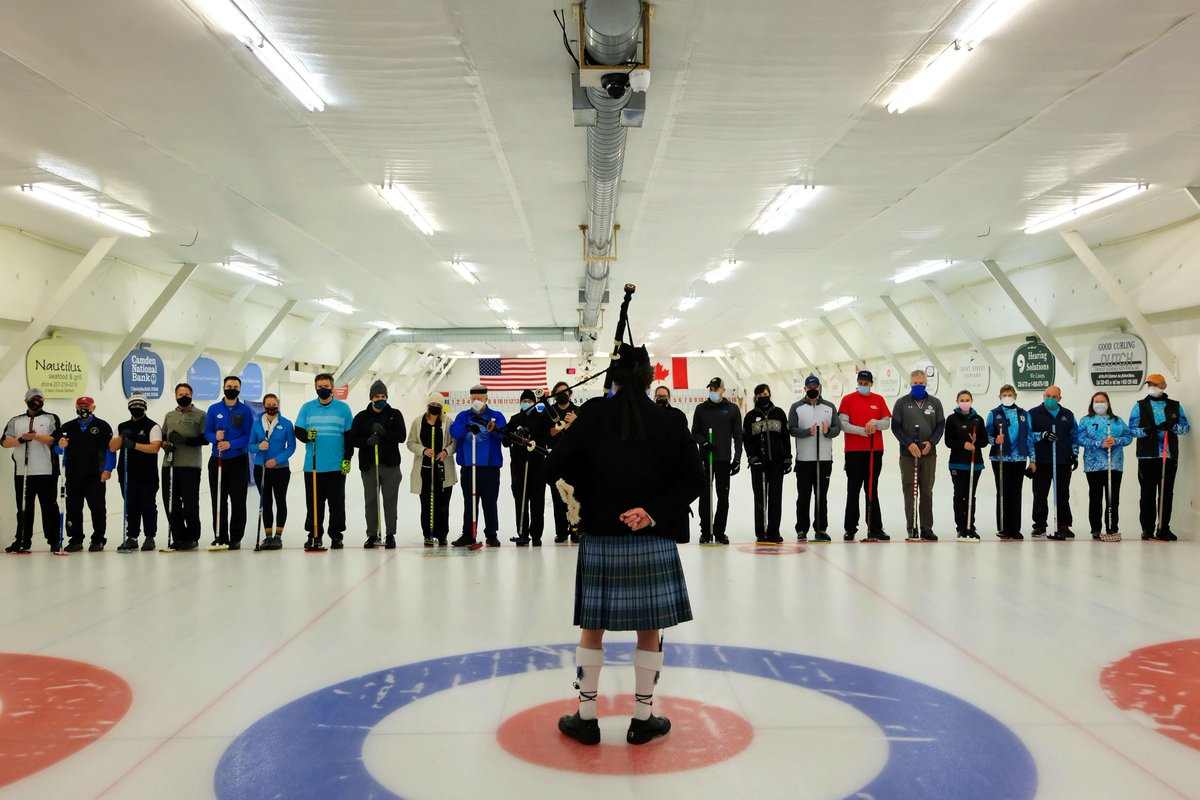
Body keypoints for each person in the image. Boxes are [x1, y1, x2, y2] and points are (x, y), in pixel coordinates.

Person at [543, 345, 703, 748]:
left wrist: (590, 487)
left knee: (592, 629)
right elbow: (694, 480)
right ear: (649, 379)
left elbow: (554, 466)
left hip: (601, 534)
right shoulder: (669, 420)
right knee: (650, 629)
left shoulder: (593, 414)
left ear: (610, 379)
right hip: (651, 535)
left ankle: (585, 716)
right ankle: (643, 718)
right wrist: (650, 511)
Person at [294, 373, 355, 551]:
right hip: (313, 466)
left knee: (337, 504)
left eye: (326, 386)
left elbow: (349, 437)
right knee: (314, 504)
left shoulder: (343, 409)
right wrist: (307, 436)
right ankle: (314, 534)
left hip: (336, 466)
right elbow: (298, 430)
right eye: (319, 386)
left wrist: (347, 459)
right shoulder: (307, 408)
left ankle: (336, 536)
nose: (323, 389)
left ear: (332, 387)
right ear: (315, 387)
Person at [1129, 374, 1191, 541]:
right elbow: (1131, 429)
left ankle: (1163, 528)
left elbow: (1185, 428)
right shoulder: (1140, 406)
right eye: (1149, 384)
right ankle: (1147, 529)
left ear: (1163, 385)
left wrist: (1172, 426)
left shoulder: (1174, 406)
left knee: (1166, 493)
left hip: (1168, 456)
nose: (1151, 387)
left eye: (1155, 384)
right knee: (1147, 492)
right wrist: (1145, 430)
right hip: (1147, 456)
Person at [349, 380, 407, 548]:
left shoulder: (395, 414)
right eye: (377, 396)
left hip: (390, 466)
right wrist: (367, 441)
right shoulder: (361, 417)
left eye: (383, 396)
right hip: (369, 466)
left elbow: (401, 437)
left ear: (387, 397)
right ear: (371, 398)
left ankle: (390, 534)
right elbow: (353, 439)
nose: (380, 399)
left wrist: (385, 433)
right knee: (371, 501)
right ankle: (372, 534)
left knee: (390, 500)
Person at [3, 388, 61, 554]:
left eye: (39, 398)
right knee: (23, 508)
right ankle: (22, 540)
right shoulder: (16, 420)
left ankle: (54, 541)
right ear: (26, 401)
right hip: (23, 472)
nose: (36, 401)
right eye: (33, 399)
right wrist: (22, 439)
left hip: (46, 471)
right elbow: (5, 442)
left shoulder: (51, 418)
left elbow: (53, 439)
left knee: (49, 507)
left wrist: (34, 437)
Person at [449, 385, 506, 547]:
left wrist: (491, 426)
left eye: (479, 399)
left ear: (486, 399)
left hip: (489, 468)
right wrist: (467, 426)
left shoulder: (495, 416)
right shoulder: (463, 416)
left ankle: (491, 534)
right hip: (469, 467)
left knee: (489, 501)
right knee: (469, 502)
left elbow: (502, 433)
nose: (476, 402)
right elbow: (454, 431)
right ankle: (468, 533)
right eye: (473, 399)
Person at [892, 370, 945, 542]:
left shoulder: (935, 403)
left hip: (929, 455)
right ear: (910, 383)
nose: (918, 386)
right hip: (908, 455)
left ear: (926, 383)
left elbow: (940, 425)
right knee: (910, 490)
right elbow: (896, 427)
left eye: (921, 383)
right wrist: (909, 443)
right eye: (915, 383)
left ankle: (926, 528)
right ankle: (912, 527)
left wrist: (932, 442)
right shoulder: (901, 403)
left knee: (926, 490)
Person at [56, 396, 115, 552]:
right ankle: (75, 539)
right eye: (80, 405)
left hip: (95, 475)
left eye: (87, 406)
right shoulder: (67, 427)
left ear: (93, 408)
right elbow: (57, 450)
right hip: (73, 475)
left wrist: (108, 469)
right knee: (73, 509)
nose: (84, 408)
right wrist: (60, 445)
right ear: (76, 407)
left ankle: (98, 539)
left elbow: (110, 450)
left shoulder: (102, 426)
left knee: (97, 508)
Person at [838, 371, 891, 541]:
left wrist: (874, 423)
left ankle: (876, 527)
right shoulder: (847, 400)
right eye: (860, 382)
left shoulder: (879, 400)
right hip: (854, 452)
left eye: (866, 383)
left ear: (871, 384)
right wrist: (863, 431)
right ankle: (850, 528)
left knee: (871, 489)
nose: (863, 386)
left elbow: (886, 423)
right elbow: (843, 425)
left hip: (874, 451)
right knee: (853, 489)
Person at [788, 374, 840, 543]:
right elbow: (792, 428)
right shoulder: (796, 407)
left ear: (820, 388)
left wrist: (827, 431)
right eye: (809, 388)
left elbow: (837, 429)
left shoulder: (829, 407)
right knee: (803, 496)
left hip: (824, 460)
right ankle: (802, 529)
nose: (812, 390)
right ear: (805, 389)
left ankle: (821, 529)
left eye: (815, 388)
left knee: (821, 496)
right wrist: (806, 433)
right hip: (804, 460)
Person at [205, 376, 255, 550]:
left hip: (238, 461)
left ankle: (235, 537)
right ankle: (220, 535)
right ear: (223, 387)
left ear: (239, 389)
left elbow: (249, 435)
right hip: (217, 460)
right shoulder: (213, 409)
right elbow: (207, 432)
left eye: (235, 386)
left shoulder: (246, 410)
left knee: (238, 500)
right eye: (228, 386)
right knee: (218, 500)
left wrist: (231, 444)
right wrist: (215, 438)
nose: (231, 388)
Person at [691, 376, 743, 544]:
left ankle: (720, 531)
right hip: (706, 459)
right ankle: (706, 531)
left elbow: (738, 436)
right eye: (711, 389)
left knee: (723, 496)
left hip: (723, 460)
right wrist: (704, 442)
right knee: (705, 495)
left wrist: (737, 459)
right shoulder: (701, 409)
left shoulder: (733, 409)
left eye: (716, 389)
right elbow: (695, 432)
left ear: (723, 389)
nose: (713, 392)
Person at [111, 394, 163, 553]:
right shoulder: (122, 426)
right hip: (127, 475)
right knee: (130, 507)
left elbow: (155, 447)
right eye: (134, 405)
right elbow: (113, 447)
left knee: (148, 506)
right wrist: (122, 437)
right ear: (129, 407)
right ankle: (132, 537)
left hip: (147, 475)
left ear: (145, 408)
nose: (137, 408)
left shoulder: (152, 426)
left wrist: (133, 445)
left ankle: (149, 536)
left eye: (141, 406)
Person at [1078, 391, 1133, 541]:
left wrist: (1116, 441)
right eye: (1097, 401)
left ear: (1108, 403)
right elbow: (1080, 439)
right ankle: (1095, 528)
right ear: (1092, 403)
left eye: (1103, 401)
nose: (1100, 404)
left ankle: (1112, 527)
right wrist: (1099, 443)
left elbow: (1129, 437)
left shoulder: (1117, 420)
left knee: (1112, 497)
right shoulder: (1086, 421)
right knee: (1095, 497)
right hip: (1093, 465)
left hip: (1114, 465)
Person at [1027, 385, 1079, 540]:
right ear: (1043, 396)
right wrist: (1042, 435)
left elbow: (1074, 436)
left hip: (1062, 460)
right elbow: (1028, 436)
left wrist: (1074, 455)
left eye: (1054, 396)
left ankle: (1064, 525)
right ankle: (1039, 525)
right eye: (1048, 395)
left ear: (1060, 398)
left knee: (1063, 494)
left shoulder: (1067, 415)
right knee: (1040, 493)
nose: (1050, 399)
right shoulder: (1033, 414)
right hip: (1042, 461)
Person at [162, 383, 208, 551]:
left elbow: (205, 439)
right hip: (170, 465)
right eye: (180, 394)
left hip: (190, 465)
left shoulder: (201, 415)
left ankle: (192, 537)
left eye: (186, 394)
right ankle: (178, 536)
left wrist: (186, 441)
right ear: (175, 396)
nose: (183, 396)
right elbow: (163, 437)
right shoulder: (169, 416)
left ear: (191, 395)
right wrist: (165, 445)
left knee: (190, 504)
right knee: (171, 504)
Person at [743, 383, 791, 543]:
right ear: (755, 396)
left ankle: (774, 531)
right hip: (759, 464)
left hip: (776, 463)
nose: (763, 397)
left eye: (766, 394)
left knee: (775, 498)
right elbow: (747, 439)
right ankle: (761, 532)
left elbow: (785, 436)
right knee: (760, 498)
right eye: (760, 395)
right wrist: (752, 457)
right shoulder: (750, 416)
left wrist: (787, 458)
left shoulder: (779, 413)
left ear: (770, 395)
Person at [407, 393, 457, 546]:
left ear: (442, 408)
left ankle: (442, 535)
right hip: (424, 470)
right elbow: (410, 443)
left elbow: (455, 442)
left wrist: (446, 452)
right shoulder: (418, 422)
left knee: (443, 505)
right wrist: (422, 450)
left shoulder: (448, 422)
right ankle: (428, 534)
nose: (435, 408)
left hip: (443, 471)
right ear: (428, 406)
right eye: (432, 405)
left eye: (438, 406)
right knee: (426, 504)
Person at [248, 394, 296, 550]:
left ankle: (278, 536)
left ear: (278, 405)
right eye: (268, 404)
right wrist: (258, 447)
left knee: (280, 500)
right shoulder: (256, 424)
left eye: (274, 404)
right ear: (263, 406)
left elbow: (291, 447)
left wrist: (277, 459)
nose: (271, 407)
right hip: (261, 469)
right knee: (266, 501)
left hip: (280, 469)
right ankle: (268, 536)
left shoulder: (286, 424)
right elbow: (250, 446)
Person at [504, 389, 550, 546]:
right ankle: (522, 533)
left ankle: (536, 535)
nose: (527, 404)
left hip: (537, 466)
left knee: (537, 502)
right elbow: (505, 440)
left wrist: (535, 441)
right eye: (524, 401)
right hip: (518, 466)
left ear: (535, 403)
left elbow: (547, 438)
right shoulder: (515, 419)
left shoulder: (542, 419)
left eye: (530, 401)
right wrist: (514, 436)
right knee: (520, 500)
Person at [985, 385, 1030, 540]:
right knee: (1003, 491)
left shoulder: (1023, 414)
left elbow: (1029, 437)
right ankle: (1003, 527)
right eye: (1004, 394)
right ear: (1000, 397)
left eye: (1010, 394)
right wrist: (995, 440)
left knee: (1016, 492)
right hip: (1000, 458)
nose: (1007, 396)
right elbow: (987, 435)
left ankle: (1015, 528)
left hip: (1019, 458)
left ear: (1015, 396)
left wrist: (1033, 459)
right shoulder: (994, 414)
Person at [943, 390, 987, 541]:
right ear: (957, 401)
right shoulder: (952, 419)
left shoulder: (978, 419)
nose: (965, 402)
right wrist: (964, 444)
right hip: (957, 464)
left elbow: (984, 440)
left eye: (967, 399)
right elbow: (948, 441)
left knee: (970, 496)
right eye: (962, 399)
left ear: (972, 401)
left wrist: (976, 444)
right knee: (959, 495)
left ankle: (970, 526)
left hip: (975, 464)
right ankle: (961, 527)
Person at [546, 381, 581, 543]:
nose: (563, 394)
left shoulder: (577, 411)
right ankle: (561, 532)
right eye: (559, 392)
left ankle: (575, 529)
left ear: (570, 394)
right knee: (558, 498)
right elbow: (549, 433)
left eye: (565, 392)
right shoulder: (549, 412)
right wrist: (565, 426)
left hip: (574, 460)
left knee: (574, 497)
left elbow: (583, 431)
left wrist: (575, 422)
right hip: (555, 460)